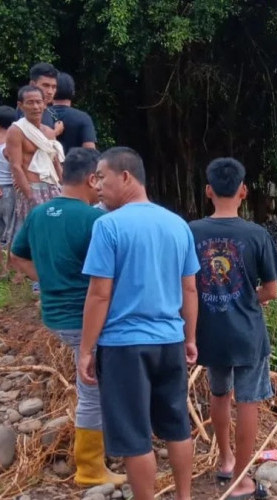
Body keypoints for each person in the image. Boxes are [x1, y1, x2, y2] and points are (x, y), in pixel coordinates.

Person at [78, 147, 198, 500]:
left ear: (126, 176)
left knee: (135, 437)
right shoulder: (177, 225)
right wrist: (189, 337)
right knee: (178, 427)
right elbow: (189, 287)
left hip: (124, 346)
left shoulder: (108, 226)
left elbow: (99, 295)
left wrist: (86, 349)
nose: (96, 184)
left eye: (102, 176)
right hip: (170, 341)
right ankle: (185, 497)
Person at [8, 148, 126, 488]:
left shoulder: (39, 213)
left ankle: (106, 448)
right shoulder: (94, 220)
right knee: (91, 390)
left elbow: (16, 256)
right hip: (85, 317)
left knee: (94, 384)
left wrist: (46, 280)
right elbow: (110, 278)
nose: (102, 187)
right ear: (92, 179)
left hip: (55, 315)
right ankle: (90, 467)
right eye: (100, 180)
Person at [189, 157, 277, 499]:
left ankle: (225, 460)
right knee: (248, 401)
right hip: (247, 334)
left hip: (209, 333)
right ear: (244, 190)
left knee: (219, 393)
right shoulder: (256, 234)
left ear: (209, 191)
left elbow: (185, 285)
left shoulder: (191, 232)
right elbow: (270, 291)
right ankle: (243, 480)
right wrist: (246, 297)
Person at [4, 86, 63, 249]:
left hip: (52, 189)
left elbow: (56, 163)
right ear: (20, 105)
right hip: (31, 189)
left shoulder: (49, 132)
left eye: (39, 102)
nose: (36, 107)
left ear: (45, 104)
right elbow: (15, 166)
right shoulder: (16, 131)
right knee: (28, 238)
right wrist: (30, 196)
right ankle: (19, 273)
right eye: (30, 103)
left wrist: (63, 188)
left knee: (51, 236)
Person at [52, 72, 97, 152]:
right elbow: (90, 151)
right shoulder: (83, 118)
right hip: (73, 163)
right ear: (73, 92)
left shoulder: (41, 115)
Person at [16, 62, 63, 133]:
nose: (50, 92)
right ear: (32, 84)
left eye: (54, 87)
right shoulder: (26, 110)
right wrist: (55, 132)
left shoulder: (51, 112)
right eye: (45, 85)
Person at [0, 105, 16, 275]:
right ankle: (10, 267)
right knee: (10, 229)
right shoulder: (10, 144)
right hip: (10, 190)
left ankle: (1, 270)